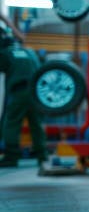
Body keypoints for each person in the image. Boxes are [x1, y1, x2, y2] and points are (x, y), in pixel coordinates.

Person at [0, 31, 47, 167]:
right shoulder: (30, 52)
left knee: (12, 122)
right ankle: (42, 155)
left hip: (19, 92)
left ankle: (11, 157)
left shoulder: (6, 53)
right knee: (36, 123)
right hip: (36, 92)